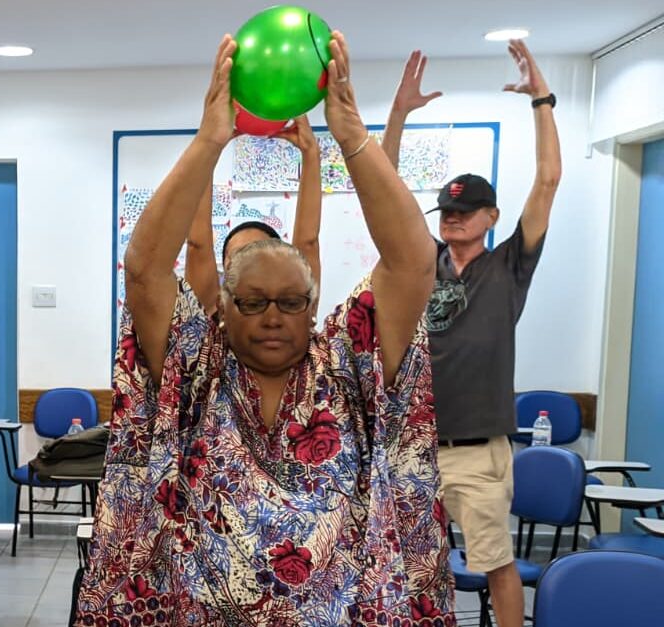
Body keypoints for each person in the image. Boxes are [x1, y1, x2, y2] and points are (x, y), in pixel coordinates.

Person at [76, 31, 454, 624]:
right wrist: (208, 140)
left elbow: (411, 260)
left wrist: (350, 133)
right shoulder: (195, 365)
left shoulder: (347, 362)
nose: (273, 315)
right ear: (223, 307)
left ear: (312, 303)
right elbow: (145, 269)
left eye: (289, 301)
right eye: (252, 302)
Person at [382, 40, 561, 627]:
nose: (453, 217)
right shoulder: (420, 264)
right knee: (402, 568)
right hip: (412, 449)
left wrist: (541, 99)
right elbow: (382, 196)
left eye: (466, 209)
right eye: (446, 211)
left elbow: (548, 180)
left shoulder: (509, 267)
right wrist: (400, 114)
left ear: (491, 216)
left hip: (478, 452)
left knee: (496, 566)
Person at [185, 114, 323, 316]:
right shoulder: (212, 315)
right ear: (224, 266)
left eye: (258, 254)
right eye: (237, 256)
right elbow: (198, 246)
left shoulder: (295, 309)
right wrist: (209, 147)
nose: (248, 262)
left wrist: (311, 153)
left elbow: (308, 242)